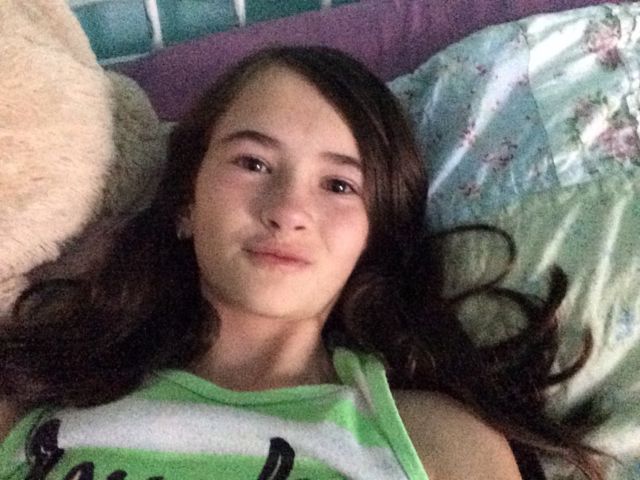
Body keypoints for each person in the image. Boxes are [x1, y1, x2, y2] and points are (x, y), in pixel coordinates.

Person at [0, 46, 603, 479]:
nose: (288, 211)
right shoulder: (36, 398)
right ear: (186, 202)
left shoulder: (437, 443)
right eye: (253, 163)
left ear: (373, 235)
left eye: (339, 185)